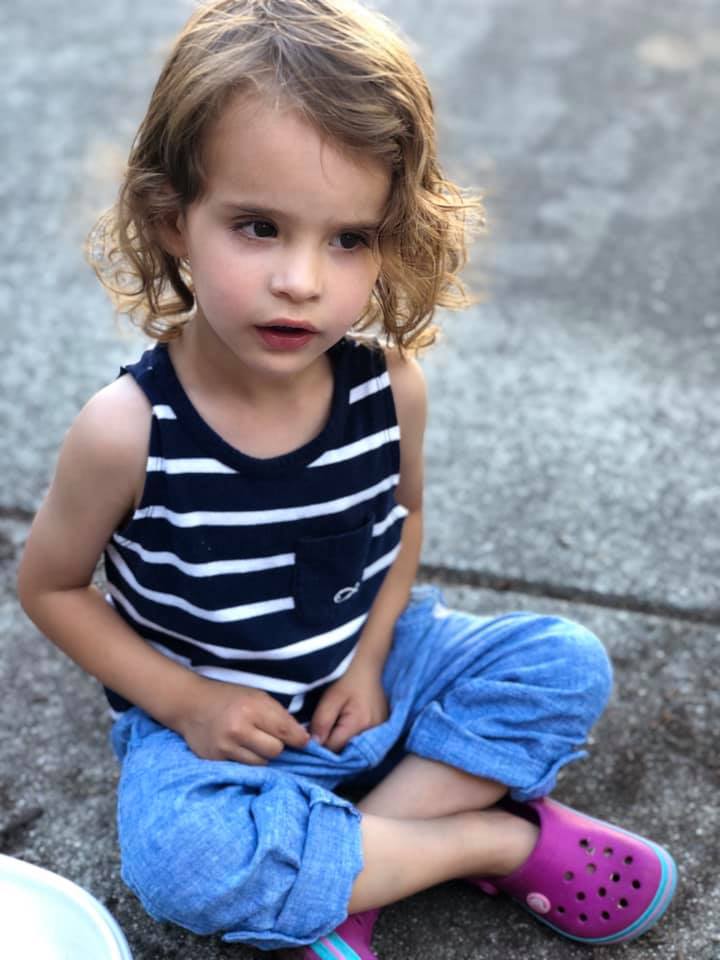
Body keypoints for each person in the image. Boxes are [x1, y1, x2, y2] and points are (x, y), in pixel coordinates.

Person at [17, 0, 677, 956]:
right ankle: (490, 842)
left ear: (392, 238)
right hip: (216, 731)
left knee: (564, 661)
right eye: (258, 227)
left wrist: (369, 663)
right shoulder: (127, 431)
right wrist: (189, 703)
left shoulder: (388, 388)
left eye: (349, 238)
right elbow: (50, 587)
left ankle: (340, 876)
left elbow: (402, 523)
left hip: (372, 674)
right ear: (171, 220)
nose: (302, 279)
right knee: (182, 861)